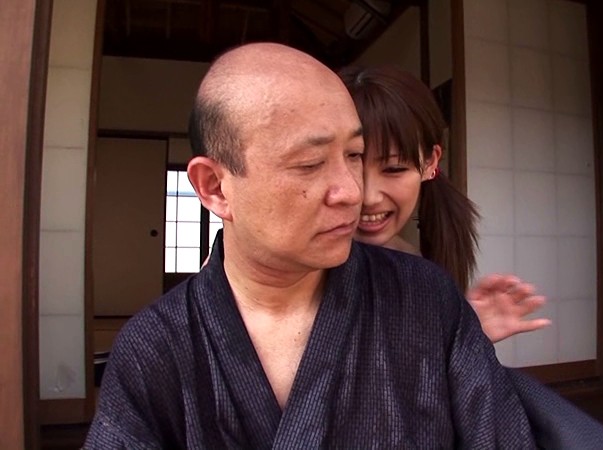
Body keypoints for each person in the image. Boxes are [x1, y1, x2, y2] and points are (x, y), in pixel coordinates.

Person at [84, 43, 541, 448]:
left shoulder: (428, 298)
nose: (354, 193)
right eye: (309, 163)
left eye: (353, 155)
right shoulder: (153, 348)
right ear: (215, 187)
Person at [338, 64, 603, 449]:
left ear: (430, 163)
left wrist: (461, 334)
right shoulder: (294, 265)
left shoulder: (422, 270)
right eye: (353, 162)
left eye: (394, 168)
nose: (369, 196)